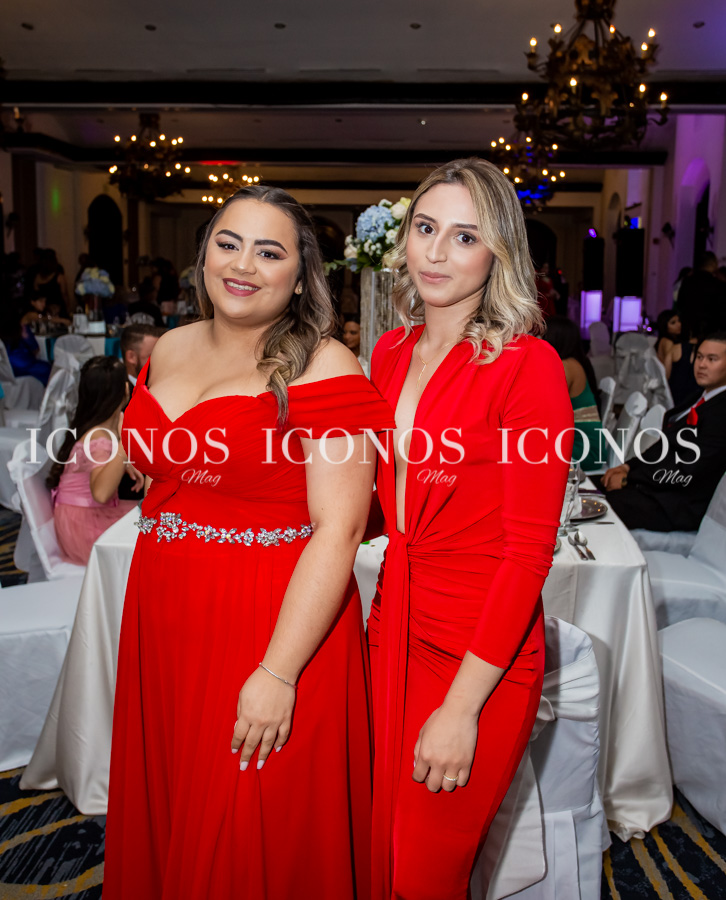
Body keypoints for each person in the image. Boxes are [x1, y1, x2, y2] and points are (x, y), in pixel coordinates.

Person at [103, 184, 394, 899]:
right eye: (228, 244)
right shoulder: (170, 345)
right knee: (179, 802)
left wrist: (279, 672)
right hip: (166, 615)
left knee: (249, 827)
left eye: (269, 252)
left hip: (268, 620)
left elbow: (340, 530)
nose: (242, 265)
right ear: (203, 254)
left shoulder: (323, 365)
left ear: (300, 275)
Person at [366, 158, 572, 899]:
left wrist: (461, 708)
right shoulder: (389, 353)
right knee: (378, 848)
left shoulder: (529, 366)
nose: (436, 252)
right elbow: (374, 503)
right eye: (425, 228)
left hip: (479, 650)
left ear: (498, 252)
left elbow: (528, 555)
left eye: (464, 236)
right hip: (390, 622)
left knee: (426, 869)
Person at [600, 333, 726, 532]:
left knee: (599, 507)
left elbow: (690, 469)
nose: (701, 365)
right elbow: (663, 445)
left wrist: (628, 479)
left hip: (676, 504)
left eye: (712, 359)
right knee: (587, 490)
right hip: (656, 489)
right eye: (699, 357)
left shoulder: (721, 412)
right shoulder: (699, 397)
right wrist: (627, 467)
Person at [47, 357, 143, 565]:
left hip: (74, 517)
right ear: (125, 390)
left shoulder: (94, 426)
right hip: (86, 528)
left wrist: (123, 464)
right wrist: (126, 445)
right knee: (160, 528)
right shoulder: (99, 438)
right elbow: (100, 494)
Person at [542, 315, 603, 471]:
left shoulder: (566, 366)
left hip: (584, 449)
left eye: (543, 336)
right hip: (580, 443)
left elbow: (543, 407)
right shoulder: (575, 362)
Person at [677, 251, 726, 339]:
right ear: (712, 263)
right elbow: (721, 310)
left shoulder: (687, 282)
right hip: (710, 331)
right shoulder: (717, 284)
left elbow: (680, 303)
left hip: (688, 329)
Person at [654, 308, 698, 405]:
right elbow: (668, 372)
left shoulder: (662, 340)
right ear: (664, 326)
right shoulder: (668, 343)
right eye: (673, 323)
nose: (679, 325)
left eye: (679, 321)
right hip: (671, 388)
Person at [120, 322, 164, 387]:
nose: (160, 362)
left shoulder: (162, 385)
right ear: (131, 357)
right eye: (152, 356)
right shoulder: (119, 390)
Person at [33, 248, 72, 318]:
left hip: (44, 308)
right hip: (58, 308)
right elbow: (64, 294)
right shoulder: (59, 277)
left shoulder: (38, 277)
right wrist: (68, 306)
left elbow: (36, 293)